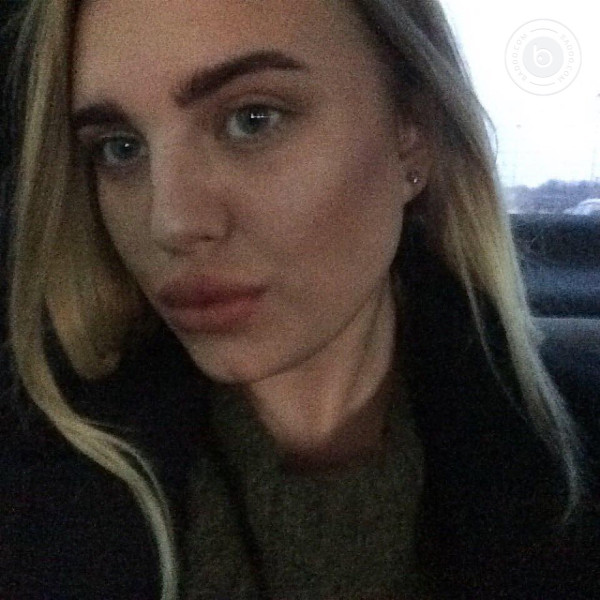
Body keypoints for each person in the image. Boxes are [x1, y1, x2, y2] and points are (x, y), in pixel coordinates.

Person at [1, 0, 598, 598]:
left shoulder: (574, 454)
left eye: (253, 119)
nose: (172, 223)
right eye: (120, 148)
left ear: (412, 133)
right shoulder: (31, 486)